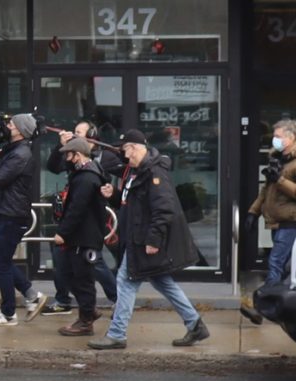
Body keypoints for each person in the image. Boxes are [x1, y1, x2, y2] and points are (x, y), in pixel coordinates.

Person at [88, 129, 209, 350]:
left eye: (125, 150)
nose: (124, 156)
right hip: (138, 240)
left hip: (143, 242)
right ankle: (195, 325)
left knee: (125, 282)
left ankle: (117, 334)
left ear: (134, 148)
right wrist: (114, 195)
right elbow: (133, 205)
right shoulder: (137, 171)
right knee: (162, 282)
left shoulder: (154, 173)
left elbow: (164, 210)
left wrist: (153, 240)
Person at [0, 113, 48, 326]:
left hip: (12, 215)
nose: (7, 126)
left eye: (10, 123)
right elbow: (1, 169)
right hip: (8, 212)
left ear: (19, 130)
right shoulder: (15, 150)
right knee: (1, 261)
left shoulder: (21, 154)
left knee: (0, 262)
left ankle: (8, 313)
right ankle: (31, 295)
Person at [41, 121, 121, 316]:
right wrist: (60, 145)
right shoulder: (73, 159)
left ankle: (116, 299)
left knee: (95, 263)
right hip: (74, 220)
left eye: (78, 133)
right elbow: (53, 166)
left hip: (90, 220)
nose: (73, 135)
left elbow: (116, 174)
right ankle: (63, 300)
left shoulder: (100, 159)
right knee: (63, 260)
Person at [240, 119, 296, 325]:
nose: (275, 139)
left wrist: (280, 180)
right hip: (276, 221)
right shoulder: (279, 158)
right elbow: (266, 190)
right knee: (284, 268)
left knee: (275, 263)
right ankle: (286, 307)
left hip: (290, 221)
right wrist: (253, 212)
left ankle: (262, 307)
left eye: (279, 136)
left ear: (291, 138)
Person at [52, 137, 107, 336]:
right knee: (72, 274)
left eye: (69, 154)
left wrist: (62, 233)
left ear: (78, 154)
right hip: (82, 236)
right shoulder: (86, 174)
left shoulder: (86, 177)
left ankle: (85, 321)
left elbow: (77, 208)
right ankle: (88, 311)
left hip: (84, 237)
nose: (67, 158)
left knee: (82, 278)